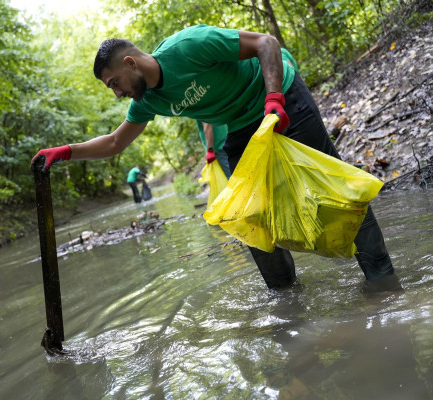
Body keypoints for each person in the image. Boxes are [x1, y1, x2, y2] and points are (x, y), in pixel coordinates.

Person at [32, 25, 401, 291]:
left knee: (338, 190)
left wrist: (274, 98)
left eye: (114, 83)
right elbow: (115, 143)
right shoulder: (148, 100)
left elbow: (265, 43)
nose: (116, 93)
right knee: (249, 214)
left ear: (130, 63)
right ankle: (286, 296)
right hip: (241, 127)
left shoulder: (189, 46)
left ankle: (382, 281)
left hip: (282, 96)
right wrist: (65, 152)